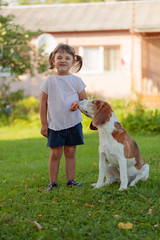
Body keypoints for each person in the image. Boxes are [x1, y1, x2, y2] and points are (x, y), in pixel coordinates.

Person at [40, 43, 87, 191]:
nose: (63, 60)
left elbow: (84, 101)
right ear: (53, 60)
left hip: (73, 123)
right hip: (55, 124)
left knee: (71, 152)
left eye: (67, 58)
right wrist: (43, 124)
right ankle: (52, 182)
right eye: (59, 57)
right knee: (55, 153)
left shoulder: (76, 81)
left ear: (73, 62)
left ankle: (71, 180)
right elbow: (43, 104)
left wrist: (77, 104)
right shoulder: (48, 81)